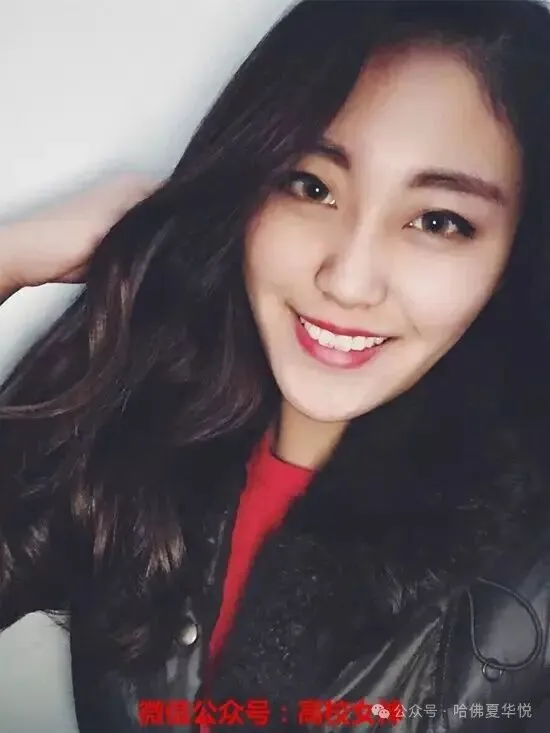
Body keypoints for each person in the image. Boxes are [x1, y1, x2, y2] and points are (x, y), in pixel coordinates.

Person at [1, 0, 550, 730]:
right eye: (311, 186)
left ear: (517, 251)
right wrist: (12, 256)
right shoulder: (144, 431)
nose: (348, 280)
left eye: (439, 221)